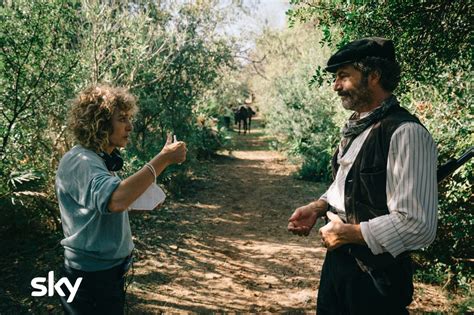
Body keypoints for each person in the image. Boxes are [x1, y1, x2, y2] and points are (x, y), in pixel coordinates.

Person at [288, 38, 438, 314]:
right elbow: (347, 183)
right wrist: (318, 206)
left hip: (377, 281)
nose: (335, 86)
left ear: (374, 76)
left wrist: (352, 233)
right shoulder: (358, 127)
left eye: (343, 76)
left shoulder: (406, 133)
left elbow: (419, 226)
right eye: (335, 78)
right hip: (337, 268)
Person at [55, 85, 187, 314]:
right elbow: (115, 200)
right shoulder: (81, 160)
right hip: (89, 277)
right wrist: (162, 160)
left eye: (129, 118)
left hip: (107, 272)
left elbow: (106, 206)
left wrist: (140, 201)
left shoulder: (100, 159)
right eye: (122, 119)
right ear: (101, 122)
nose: (130, 126)